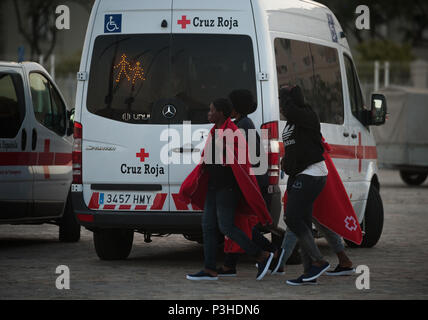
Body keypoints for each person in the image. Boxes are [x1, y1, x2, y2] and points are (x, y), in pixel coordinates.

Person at [179, 98, 274, 281]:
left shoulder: (232, 132)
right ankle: (209, 269)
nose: (208, 113)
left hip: (227, 188)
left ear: (221, 113)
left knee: (227, 226)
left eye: (211, 110)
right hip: (214, 187)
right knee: (208, 227)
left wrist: (223, 151)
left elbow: (240, 161)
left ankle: (261, 255)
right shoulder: (216, 131)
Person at [217, 89, 282, 277]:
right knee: (239, 224)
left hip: (247, 183)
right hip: (247, 182)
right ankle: (231, 265)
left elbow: (236, 158)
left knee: (237, 225)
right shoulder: (243, 123)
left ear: (235, 107)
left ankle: (269, 252)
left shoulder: (243, 126)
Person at [278, 85, 330, 286]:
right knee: (304, 223)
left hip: (312, 173)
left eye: (283, 103)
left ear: (291, 101)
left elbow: (291, 110)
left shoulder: (307, 115)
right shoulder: (293, 120)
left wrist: (285, 96)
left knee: (291, 217)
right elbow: (294, 146)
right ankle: (310, 272)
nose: (282, 108)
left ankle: (318, 261)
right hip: (300, 174)